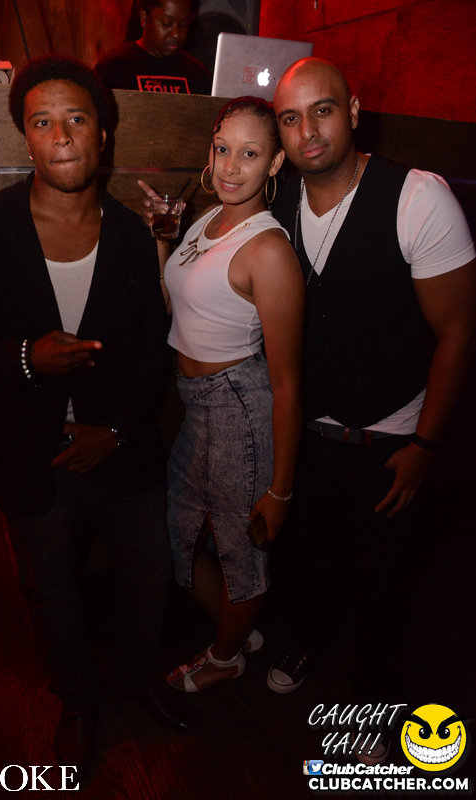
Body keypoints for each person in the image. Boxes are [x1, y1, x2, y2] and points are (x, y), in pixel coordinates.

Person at [0, 54, 199, 782]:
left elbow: (150, 349)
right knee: (51, 591)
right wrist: (26, 358)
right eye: (43, 121)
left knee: (150, 577)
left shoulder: (130, 234)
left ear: (103, 134)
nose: (61, 135)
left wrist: (114, 431)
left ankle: (134, 679)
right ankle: (79, 702)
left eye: (77, 119)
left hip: (121, 448)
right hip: (35, 455)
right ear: (25, 137)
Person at [267, 57, 476, 753]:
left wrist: (424, 446)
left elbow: (458, 333)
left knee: (383, 587)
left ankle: (374, 704)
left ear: (353, 111)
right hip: (308, 432)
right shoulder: (275, 202)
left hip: (391, 437)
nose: (307, 130)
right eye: (290, 118)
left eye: (321, 110)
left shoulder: (417, 197)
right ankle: (306, 641)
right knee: (309, 563)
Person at [141, 96, 304, 692]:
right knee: (175, 535)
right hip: (196, 403)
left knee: (242, 553)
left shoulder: (269, 249)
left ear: (275, 164)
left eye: (250, 154)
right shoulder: (208, 218)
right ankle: (239, 631)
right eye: (222, 148)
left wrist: (280, 489)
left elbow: (287, 383)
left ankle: (226, 655)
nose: (231, 167)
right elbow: (173, 306)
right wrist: (162, 238)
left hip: (239, 407)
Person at [95, 0, 211, 95]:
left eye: (183, 24)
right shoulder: (112, 68)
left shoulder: (197, 73)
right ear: (144, 18)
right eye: (166, 23)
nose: (176, 34)